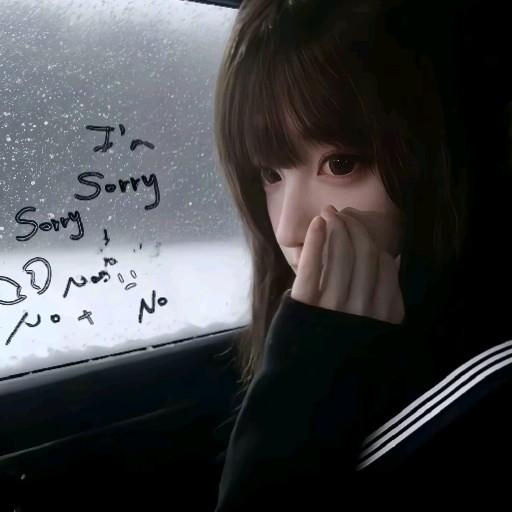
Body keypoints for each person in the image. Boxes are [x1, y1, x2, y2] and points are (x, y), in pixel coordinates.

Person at [211, 0, 512, 508]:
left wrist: (300, 390)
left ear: (435, 161)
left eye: (340, 164)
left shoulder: (484, 384)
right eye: (270, 174)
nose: (288, 228)